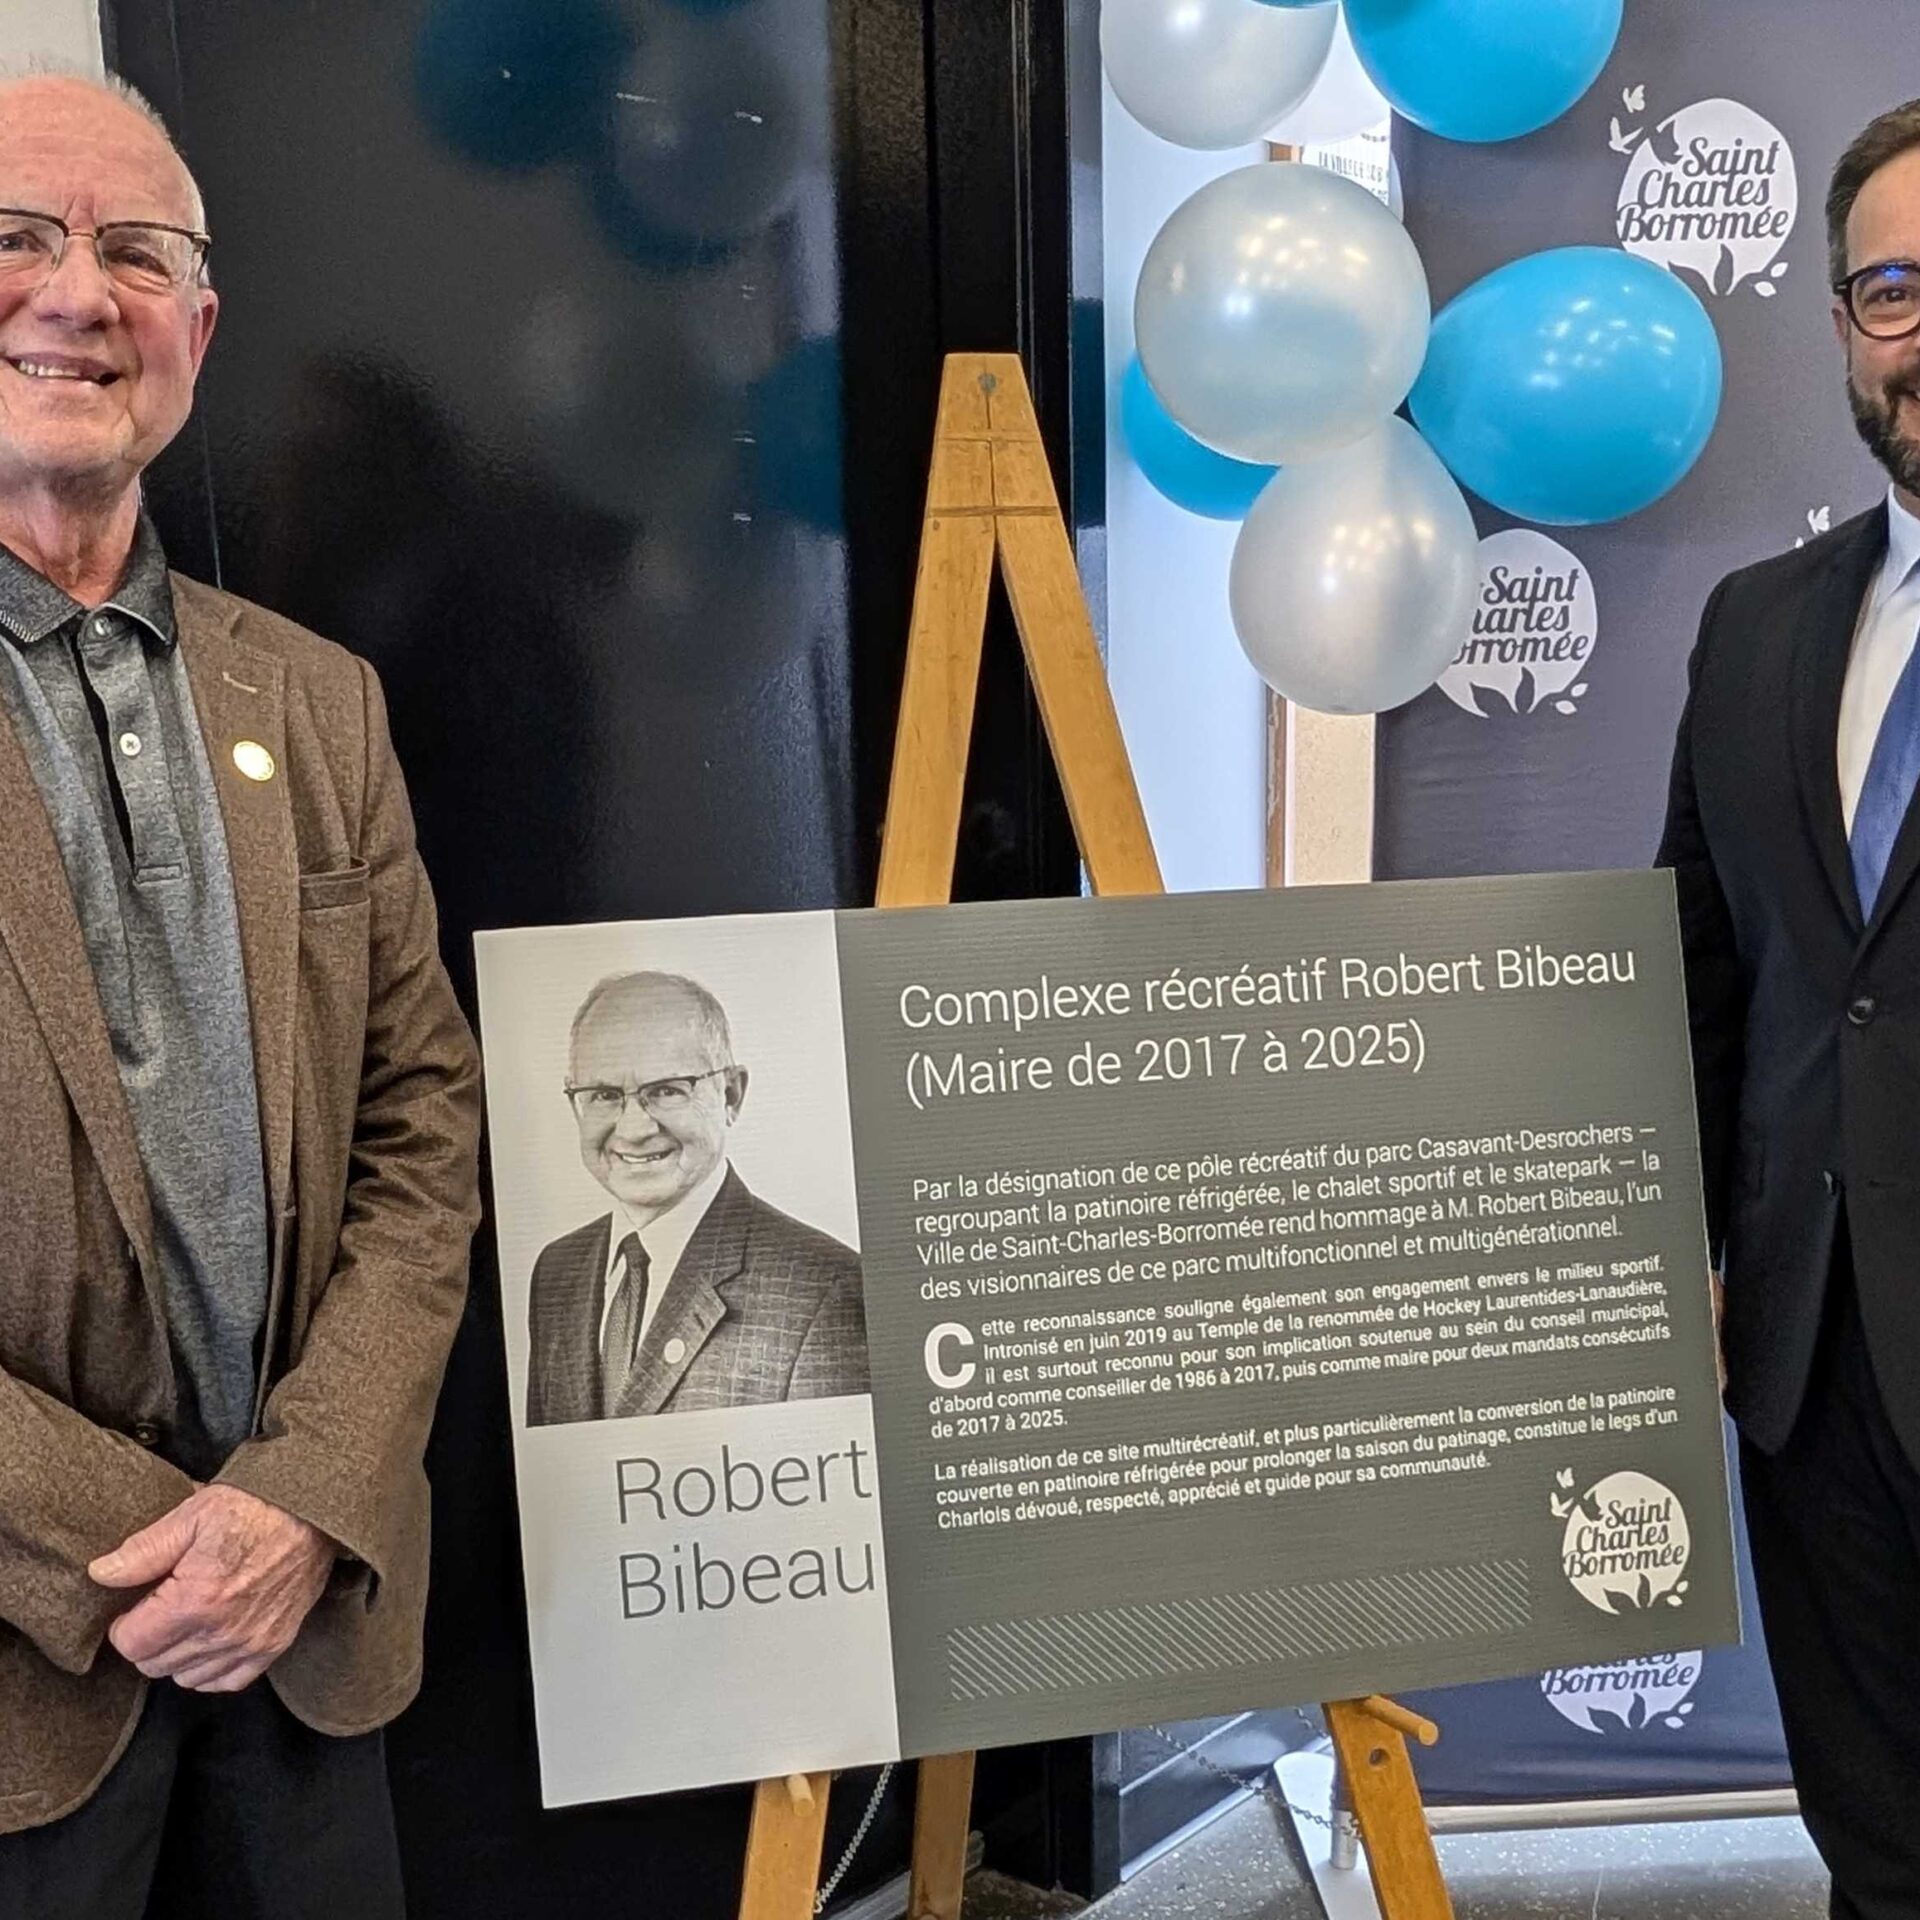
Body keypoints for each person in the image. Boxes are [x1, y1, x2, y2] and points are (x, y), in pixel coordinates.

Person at [0, 68, 481, 1919]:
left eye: (138, 251)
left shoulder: (318, 700)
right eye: (21, 238)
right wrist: (151, 1546)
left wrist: (304, 1496)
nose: (78, 293)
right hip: (29, 1668)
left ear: (197, 330)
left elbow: (422, 1131)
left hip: (309, 1628)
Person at [1660, 97, 1920, 1920]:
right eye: (1895, 289)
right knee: (1883, 1846)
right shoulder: (1756, 627)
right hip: (1817, 1370)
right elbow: (1704, 971)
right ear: (1837, 324)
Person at [526, 970, 868, 1424]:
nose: (633, 1129)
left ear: (731, 1094)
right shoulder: (556, 1271)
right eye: (604, 1095)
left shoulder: (825, 1289)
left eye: (667, 1090)